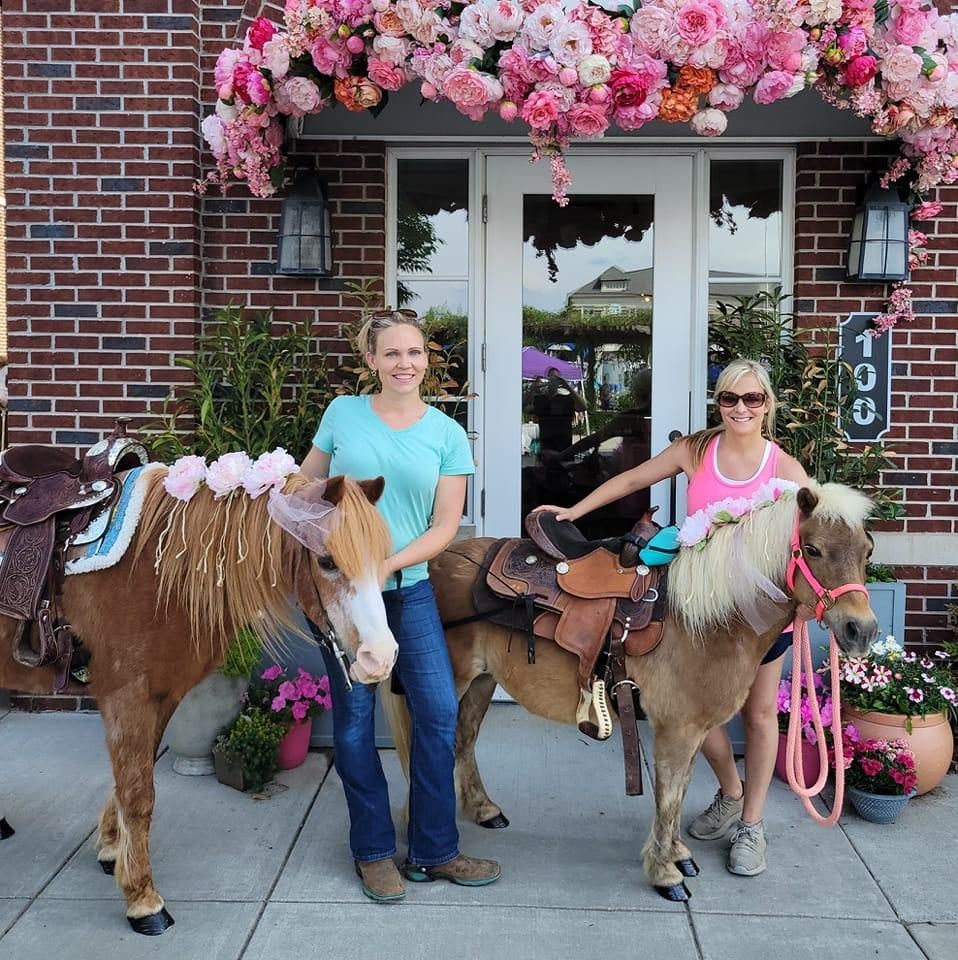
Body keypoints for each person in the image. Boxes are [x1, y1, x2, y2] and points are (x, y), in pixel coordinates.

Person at [535, 359, 809, 877]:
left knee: (757, 713)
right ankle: (730, 792)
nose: (740, 409)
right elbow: (634, 477)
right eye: (730, 399)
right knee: (691, 710)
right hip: (696, 611)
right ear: (718, 404)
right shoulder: (696, 450)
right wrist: (575, 512)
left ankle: (752, 824)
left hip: (759, 620)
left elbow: (810, 538)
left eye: (751, 399)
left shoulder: (785, 468)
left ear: (767, 404)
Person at [301, 309, 500, 903]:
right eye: (391, 354)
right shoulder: (343, 415)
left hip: (407, 591)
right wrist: (337, 563)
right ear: (372, 361)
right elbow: (304, 491)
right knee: (357, 726)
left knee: (438, 712)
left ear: (426, 360)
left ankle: (435, 850)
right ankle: (372, 852)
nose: (404, 364)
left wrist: (382, 567)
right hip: (342, 601)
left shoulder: (445, 433)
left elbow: (444, 527)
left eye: (414, 353)